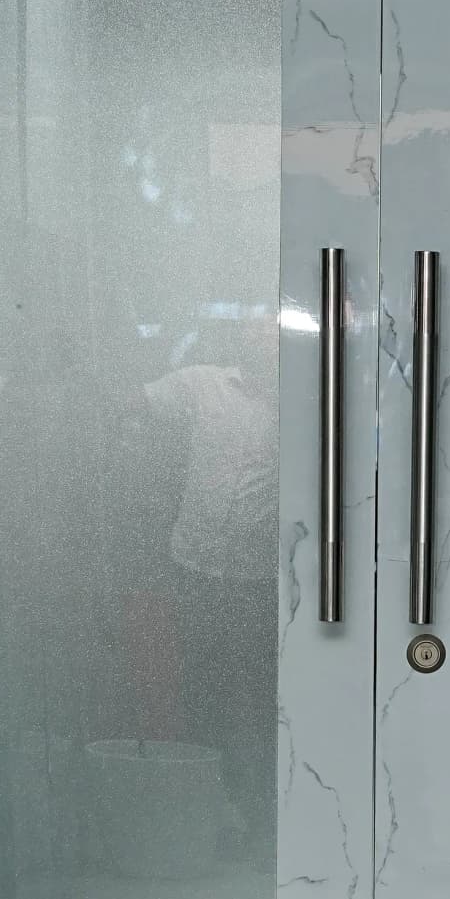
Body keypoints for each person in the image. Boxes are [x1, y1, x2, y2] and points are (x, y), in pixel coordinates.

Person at [138, 310, 281, 855]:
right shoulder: (200, 383)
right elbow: (131, 407)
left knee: (260, 703)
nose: (260, 344)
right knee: (201, 697)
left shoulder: (308, 400)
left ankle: (261, 825)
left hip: (260, 579)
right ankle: (211, 821)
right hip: (194, 568)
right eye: (253, 335)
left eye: (271, 337)